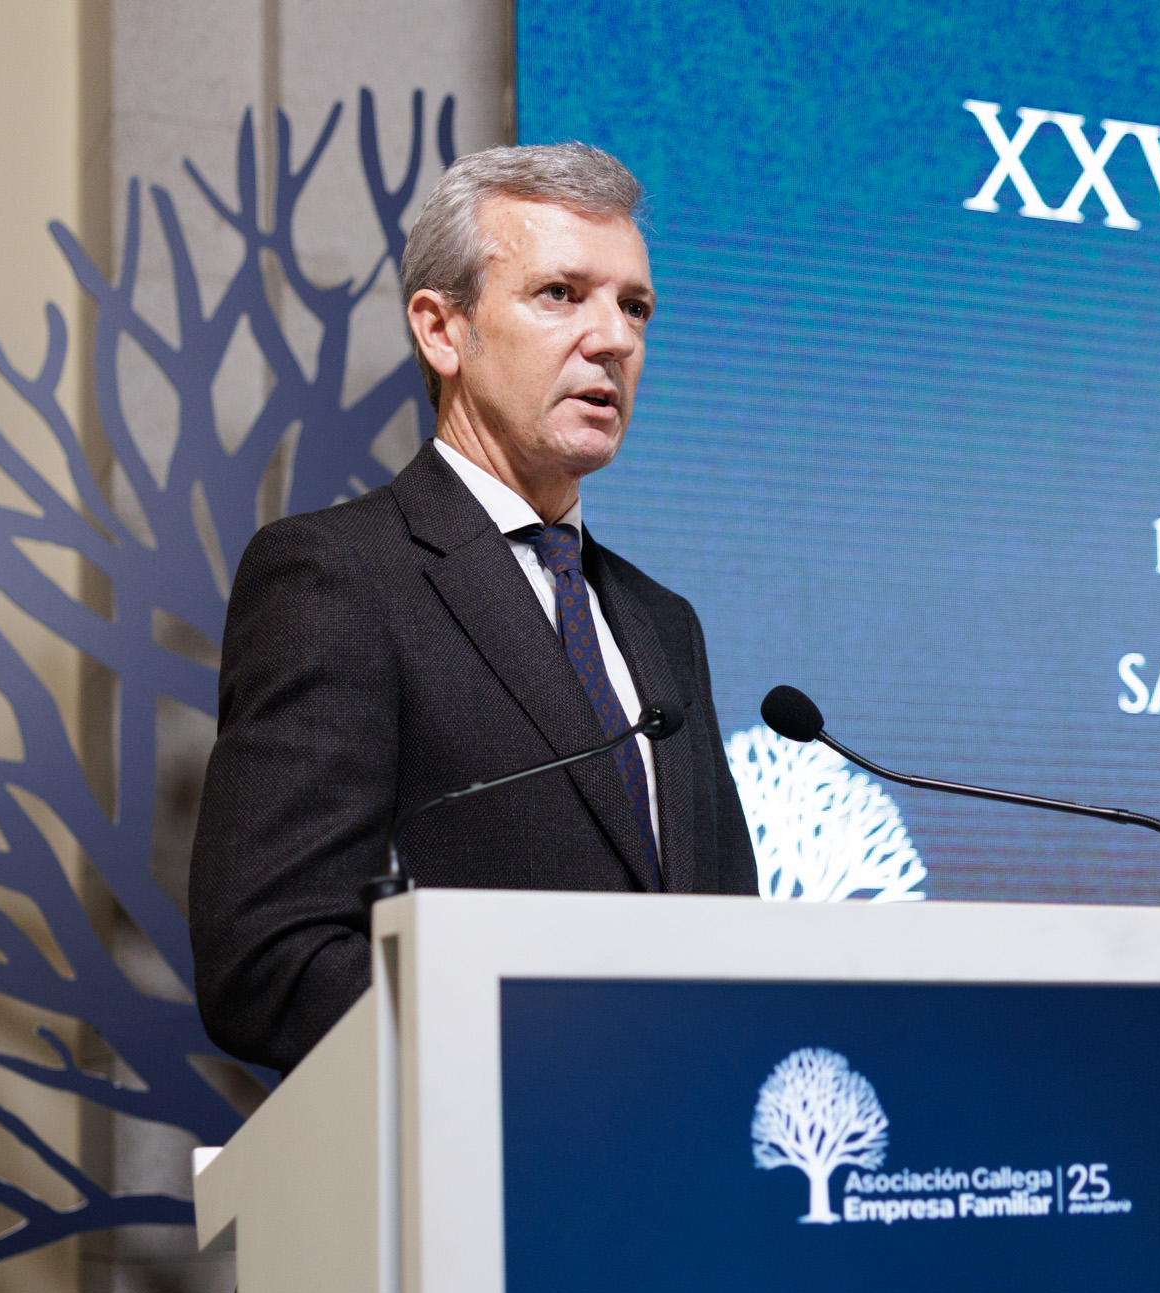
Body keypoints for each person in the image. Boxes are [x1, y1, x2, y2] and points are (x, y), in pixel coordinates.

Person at [188, 142, 760, 1076]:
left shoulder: (665, 623)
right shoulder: (337, 577)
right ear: (442, 331)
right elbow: (269, 960)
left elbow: (731, 936)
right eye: (561, 294)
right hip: (489, 1137)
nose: (614, 339)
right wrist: (545, 1060)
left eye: (635, 307)